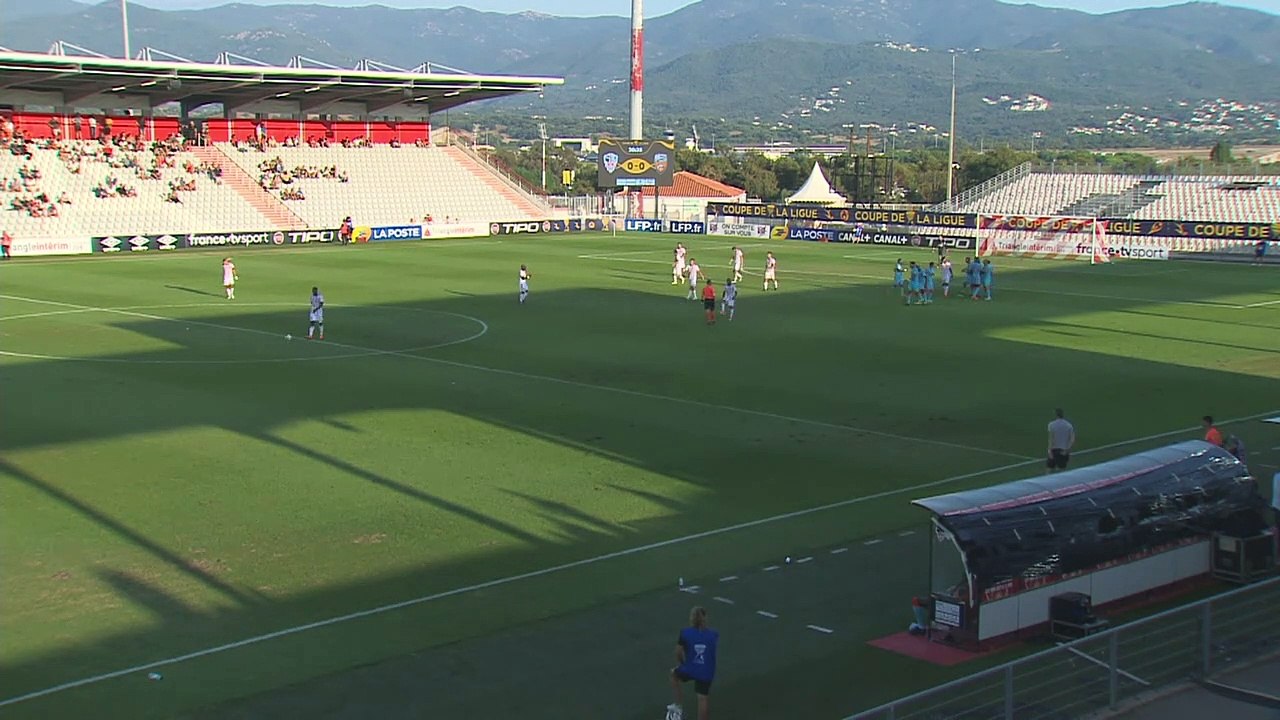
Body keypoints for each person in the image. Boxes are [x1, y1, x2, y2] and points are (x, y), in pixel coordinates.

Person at [668, 606, 718, 720]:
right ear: (704, 618)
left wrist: (682, 664)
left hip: (690, 668)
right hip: (707, 671)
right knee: (702, 698)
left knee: (673, 674)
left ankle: (678, 707)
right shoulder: (714, 634)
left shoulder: (685, 633)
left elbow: (678, 652)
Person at [1047, 408, 1075, 473]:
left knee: (1049, 470)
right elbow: (1072, 439)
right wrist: (1067, 450)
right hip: (1064, 450)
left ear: (1056, 415)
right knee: (1062, 472)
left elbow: (1051, 439)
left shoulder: (1051, 425)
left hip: (1054, 450)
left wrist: (1049, 451)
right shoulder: (1069, 425)